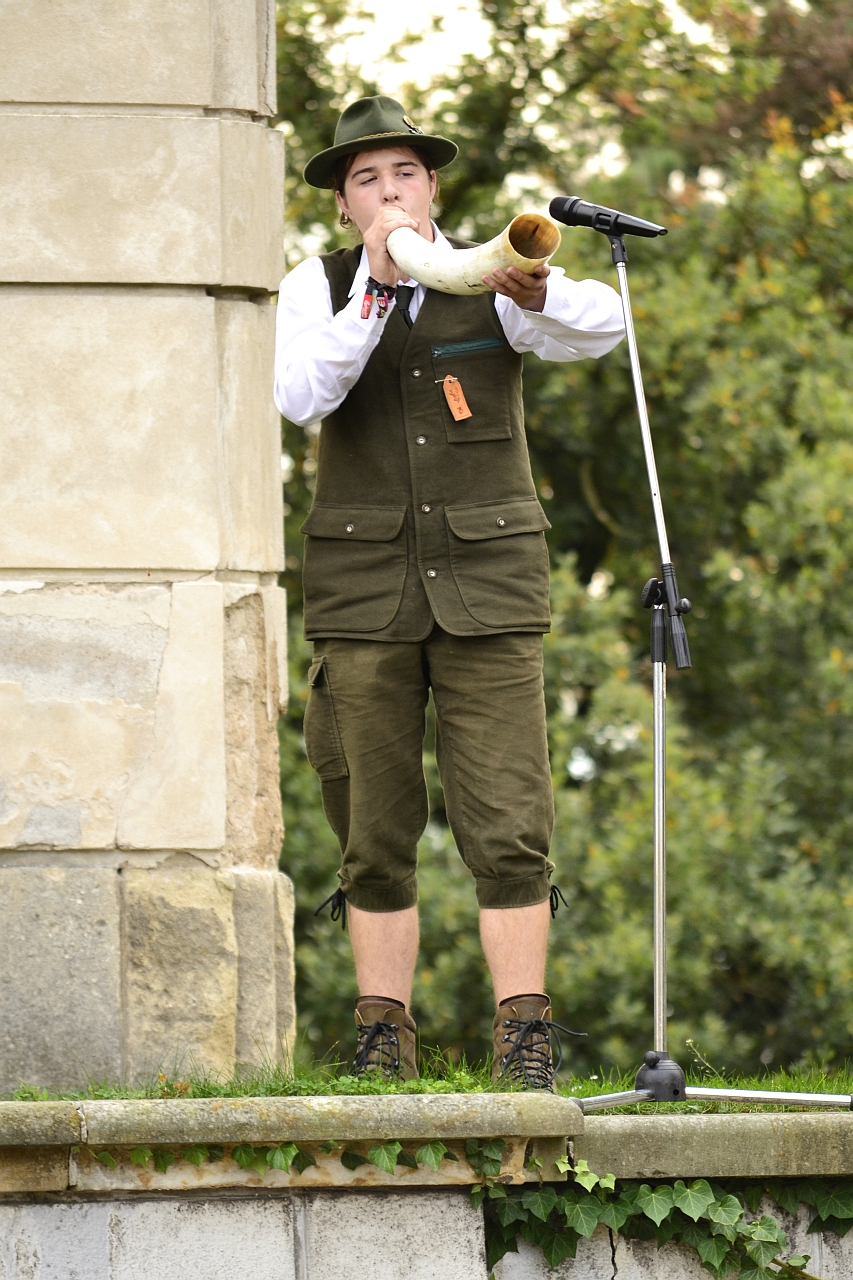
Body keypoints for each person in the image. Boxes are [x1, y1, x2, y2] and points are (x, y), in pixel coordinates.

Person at [274, 96, 625, 1088]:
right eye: (366, 179)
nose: (388, 192)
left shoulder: (494, 276)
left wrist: (539, 291)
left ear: (432, 186)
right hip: (363, 587)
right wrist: (376, 294)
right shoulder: (317, 286)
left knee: (509, 821)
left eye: (404, 174)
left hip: (490, 584)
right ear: (344, 204)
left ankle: (524, 1037)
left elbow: (605, 325)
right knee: (373, 826)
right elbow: (301, 396)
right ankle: (382, 1038)